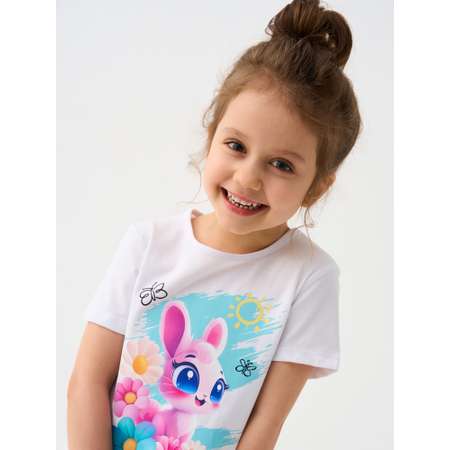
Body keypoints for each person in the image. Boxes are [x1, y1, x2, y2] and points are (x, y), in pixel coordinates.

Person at [67, 1, 362, 449]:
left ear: (317, 187)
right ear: (211, 137)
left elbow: (265, 425)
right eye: (236, 146)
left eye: (282, 164)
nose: (248, 178)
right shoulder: (148, 245)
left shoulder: (309, 276)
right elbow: (88, 382)